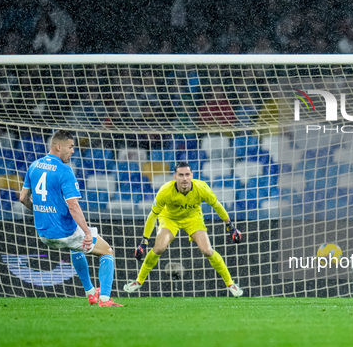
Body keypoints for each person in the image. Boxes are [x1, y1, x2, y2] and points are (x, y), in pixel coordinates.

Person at [19, 130, 122, 307]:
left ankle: (90, 292)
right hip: (64, 231)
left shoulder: (34, 165)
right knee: (107, 251)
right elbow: (73, 206)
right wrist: (88, 232)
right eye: (71, 147)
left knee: (77, 248)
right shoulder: (64, 171)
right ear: (59, 147)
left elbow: (22, 198)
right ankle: (104, 299)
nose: (73, 151)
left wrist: (42, 213)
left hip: (44, 234)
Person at [123, 162, 243, 297]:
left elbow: (217, 206)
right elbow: (153, 215)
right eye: (181, 175)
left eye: (187, 175)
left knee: (207, 250)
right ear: (175, 176)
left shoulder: (202, 188)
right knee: (159, 248)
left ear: (191, 175)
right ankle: (138, 282)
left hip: (193, 218)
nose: (184, 178)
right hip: (169, 219)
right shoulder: (165, 191)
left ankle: (231, 284)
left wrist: (230, 226)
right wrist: (143, 242)